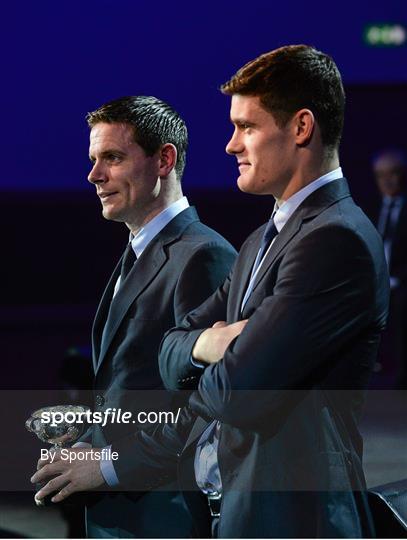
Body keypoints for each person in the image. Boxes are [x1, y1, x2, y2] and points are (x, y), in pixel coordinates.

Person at [33, 47, 389, 538]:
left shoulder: (336, 239)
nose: (230, 145)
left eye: (247, 126)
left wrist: (209, 357)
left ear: (302, 127)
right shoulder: (258, 244)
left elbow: (240, 394)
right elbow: (168, 351)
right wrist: (209, 343)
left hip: (293, 521)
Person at [32, 95, 236, 538]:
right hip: (125, 513)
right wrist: (87, 445)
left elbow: (207, 412)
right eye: (93, 159)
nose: (94, 175)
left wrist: (104, 465)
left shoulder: (204, 256)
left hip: (167, 517)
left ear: (164, 160)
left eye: (113, 158)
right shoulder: (140, 250)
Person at [369, 149, 407, 386]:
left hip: (401, 283)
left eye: (393, 173)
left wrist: (395, 280)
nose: (388, 180)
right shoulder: (369, 208)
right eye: (381, 175)